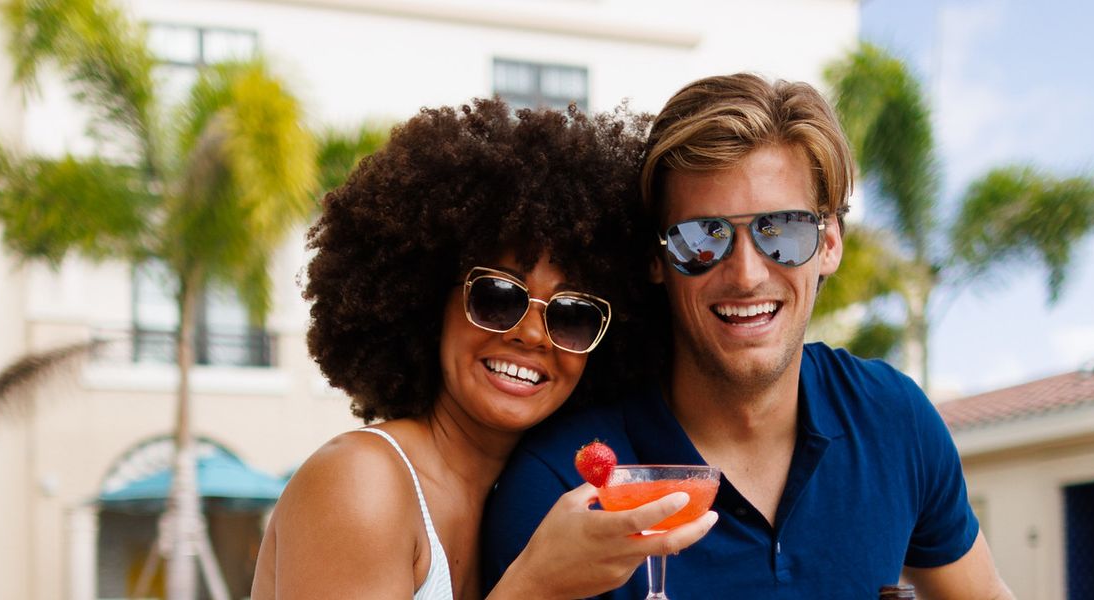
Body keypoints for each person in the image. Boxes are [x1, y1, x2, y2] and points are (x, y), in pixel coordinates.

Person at [480, 74, 1014, 597]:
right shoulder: (563, 489)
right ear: (657, 260)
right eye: (700, 238)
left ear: (829, 242)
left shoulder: (895, 421)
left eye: (782, 231)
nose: (746, 274)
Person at [252, 99, 718, 599]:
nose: (534, 334)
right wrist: (535, 585)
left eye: (572, 315)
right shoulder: (361, 482)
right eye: (498, 297)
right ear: (428, 299)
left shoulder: (522, 501)